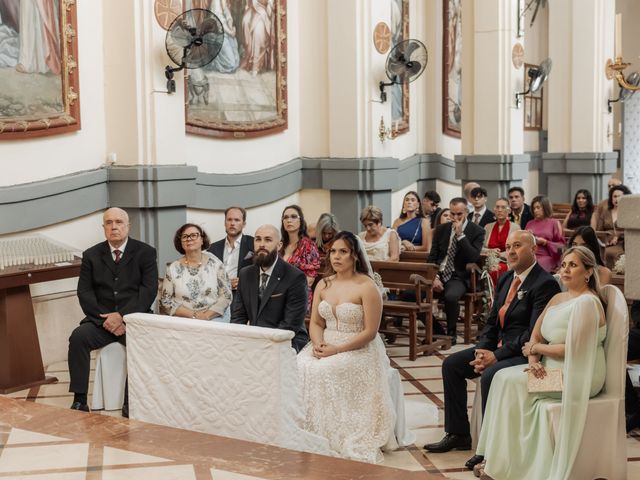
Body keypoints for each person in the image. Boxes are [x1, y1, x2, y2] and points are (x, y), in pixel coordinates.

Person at [425, 230, 560, 471]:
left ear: (533, 250)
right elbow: (491, 323)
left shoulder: (545, 283)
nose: (510, 251)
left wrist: (495, 356)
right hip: (496, 347)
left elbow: (533, 333)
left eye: (517, 245)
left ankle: (488, 448)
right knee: (452, 365)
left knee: (490, 375)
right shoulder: (507, 278)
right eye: (508, 246)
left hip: (522, 352)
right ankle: (458, 433)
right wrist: (482, 351)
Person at [474, 246, 607, 480]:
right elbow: (536, 333)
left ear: (588, 272)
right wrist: (535, 361)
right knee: (501, 378)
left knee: (513, 384)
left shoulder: (589, 303)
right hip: (549, 368)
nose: (565, 270)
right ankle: (497, 460)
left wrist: (536, 349)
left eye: (573, 265)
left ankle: (508, 466)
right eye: (564, 264)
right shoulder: (558, 297)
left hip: (579, 375)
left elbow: (574, 350)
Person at [297, 231, 396, 463]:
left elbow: (370, 333)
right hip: (325, 342)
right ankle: (306, 431)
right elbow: (316, 322)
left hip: (357, 348)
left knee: (324, 370)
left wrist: (336, 350)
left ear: (355, 256)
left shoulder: (367, 286)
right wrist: (318, 342)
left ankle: (334, 433)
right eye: (333, 251)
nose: (336, 257)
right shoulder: (324, 283)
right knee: (300, 365)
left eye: (343, 252)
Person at [68, 208, 158, 417]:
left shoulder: (145, 252)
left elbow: (148, 291)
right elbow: (85, 292)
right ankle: (79, 400)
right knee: (78, 338)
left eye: (119, 222)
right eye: (109, 222)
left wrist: (122, 317)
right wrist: (106, 320)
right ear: (104, 227)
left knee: (144, 345)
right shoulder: (91, 254)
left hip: (134, 320)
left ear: (128, 226)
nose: (114, 226)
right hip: (101, 321)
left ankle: (130, 402)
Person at [231, 224, 309, 352]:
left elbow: (290, 324)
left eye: (268, 240)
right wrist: (238, 343)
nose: (262, 244)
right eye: (258, 239)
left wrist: (262, 345)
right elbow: (238, 317)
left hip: (287, 340)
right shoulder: (245, 274)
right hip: (255, 338)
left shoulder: (295, 277)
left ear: (279, 246)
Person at [428, 198, 485, 344]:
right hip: (438, 274)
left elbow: (473, 256)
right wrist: (433, 277)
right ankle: (437, 330)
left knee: (451, 297)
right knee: (409, 295)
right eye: (452, 214)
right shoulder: (441, 230)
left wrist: (460, 235)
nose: (455, 218)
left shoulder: (477, 231)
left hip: (458, 276)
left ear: (466, 212)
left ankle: (451, 333)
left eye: (459, 214)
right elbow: (432, 257)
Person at [161, 223, 232, 321]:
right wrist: (193, 315)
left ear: (202, 240)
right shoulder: (172, 268)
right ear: (180, 242)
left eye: (194, 235)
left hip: (214, 319)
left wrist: (206, 316)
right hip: (183, 320)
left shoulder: (216, 265)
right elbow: (166, 301)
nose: (189, 239)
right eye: (184, 237)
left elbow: (226, 296)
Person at [280, 205, 321, 309]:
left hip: (299, 297)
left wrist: (285, 289)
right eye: (286, 217)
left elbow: (309, 280)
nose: (289, 220)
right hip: (278, 294)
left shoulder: (308, 246)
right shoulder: (280, 245)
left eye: (293, 217)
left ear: (301, 221)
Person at [208, 207, 254, 295]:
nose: (232, 223)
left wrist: (244, 281)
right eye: (229, 219)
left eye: (237, 220)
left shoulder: (253, 244)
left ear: (244, 224)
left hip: (242, 296)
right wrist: (226, 284)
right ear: (225, 223)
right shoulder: (212, 248)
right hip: (217, 296)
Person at [591, 184, 631, 269]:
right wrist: (604, 240)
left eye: (619, 196)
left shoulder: (629, 211)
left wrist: (618, 236)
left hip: (624, 242)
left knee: (611, 253)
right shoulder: (606, 211)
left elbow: (630, 229)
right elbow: (599, 229)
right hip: (606, 242)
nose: (616, 199)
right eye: (614, 196)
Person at [482, 197, 520, 286]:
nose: (499, 210)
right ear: (494, 210)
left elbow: (517, 249)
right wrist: (490, 251)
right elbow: (480, 247)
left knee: (498, 268)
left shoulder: (515, 227)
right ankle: (490, 297)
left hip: (507, 261)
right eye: (497, 207)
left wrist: (500, 254)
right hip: (488, 260)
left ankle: (499, 296)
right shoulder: (487, 227)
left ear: (509, 210)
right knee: (493, 267)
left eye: (503, 207)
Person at [525, 195, 565, 272]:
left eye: (538, 207)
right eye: (534, 208)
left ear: (545, 207)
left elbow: (561, 245)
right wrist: (528, 237)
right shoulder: (529, 223)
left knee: (536, 265)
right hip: (531, 254)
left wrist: (545, 242)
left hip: (547, 256)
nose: (535, 210)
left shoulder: (554, 223)